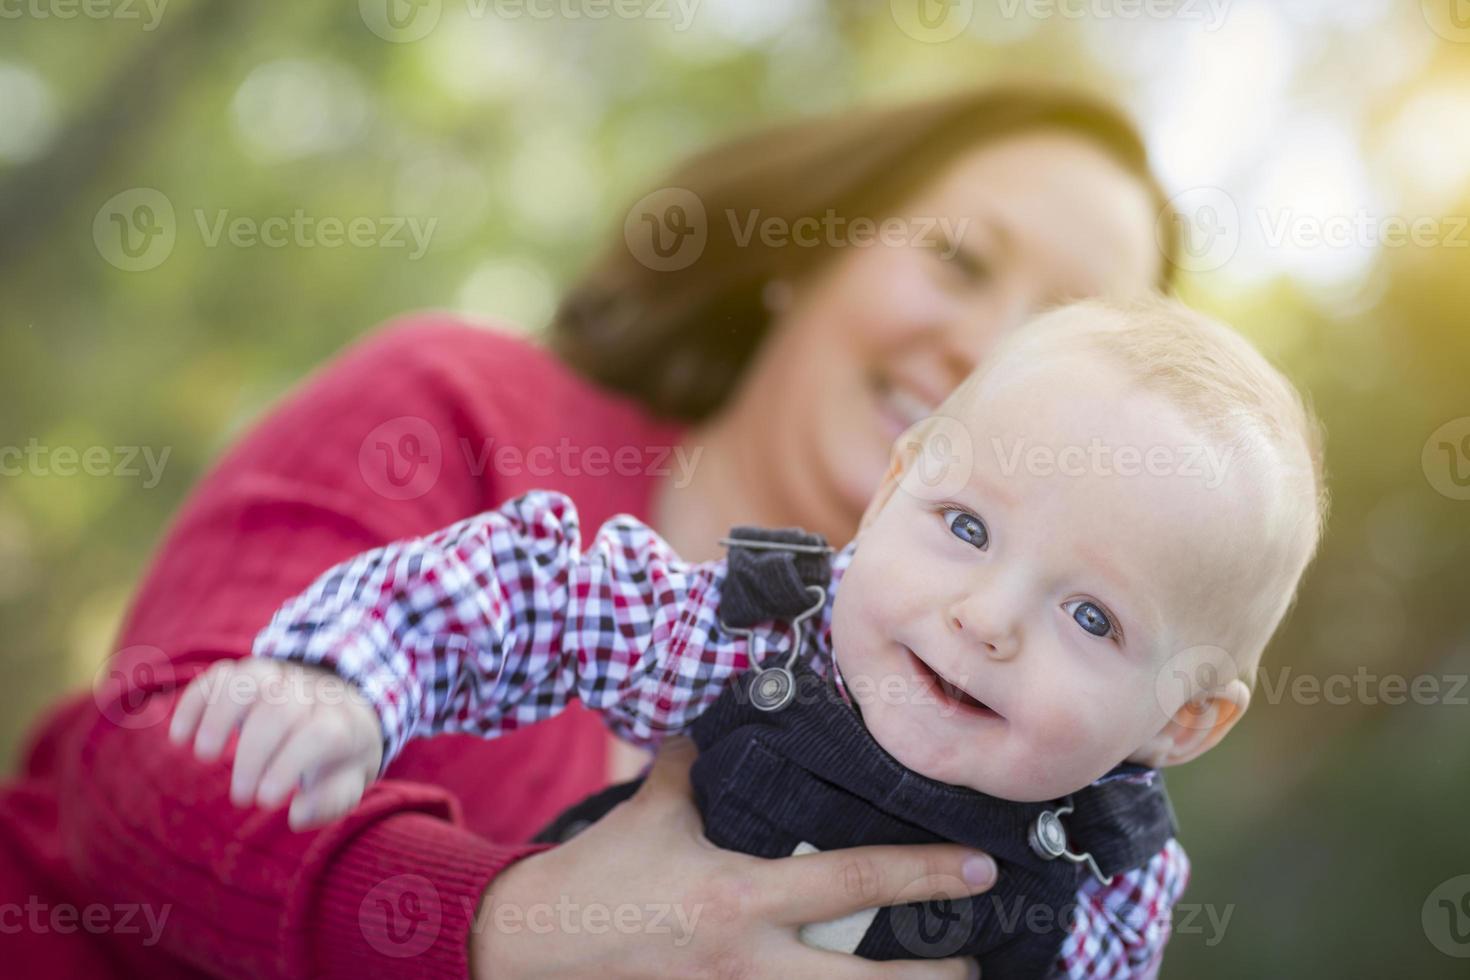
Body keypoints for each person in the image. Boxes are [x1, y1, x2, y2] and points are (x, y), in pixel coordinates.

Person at [2, 87, 1180, 977]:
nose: (983, 351)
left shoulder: (1002, 744)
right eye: (961, 261)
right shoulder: (463, 409)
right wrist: (509, 923)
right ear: (815, 245)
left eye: (1054, 339)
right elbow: (145, 784)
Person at [168, 295, 1328, 978]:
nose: (987, 617)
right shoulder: (759, 634)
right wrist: (349, 678)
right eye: (965, 525)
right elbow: (535, 598)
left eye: (1092, 616)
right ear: (888, 499)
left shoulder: (1113, 874)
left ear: (1182, 719)